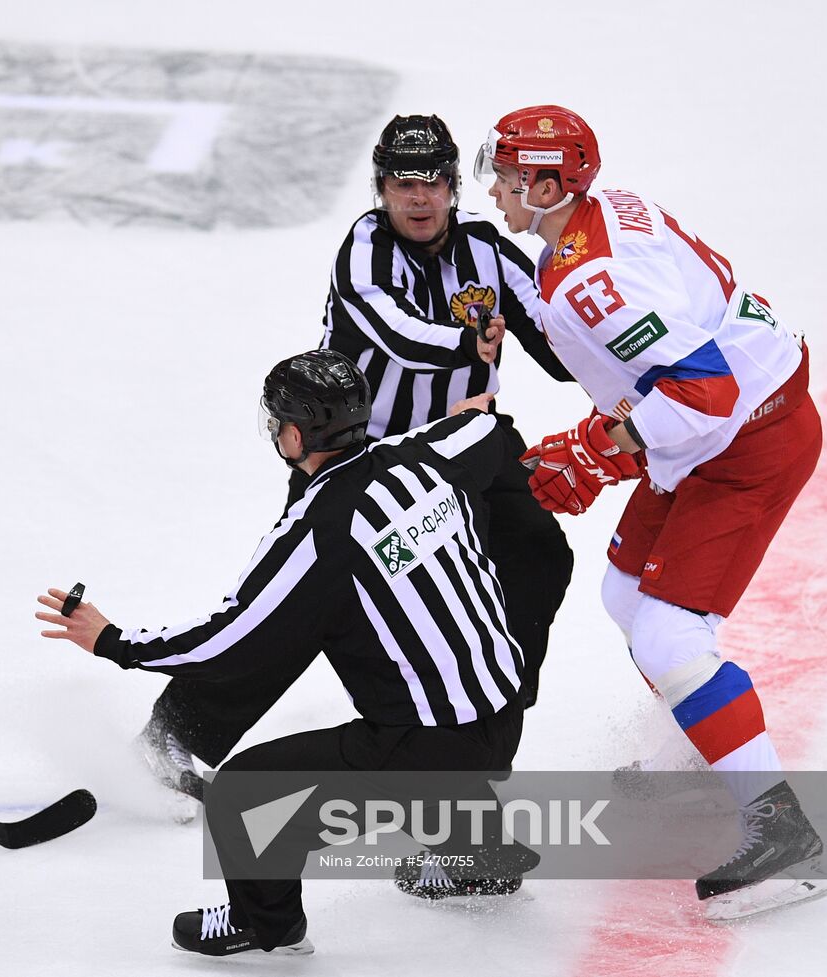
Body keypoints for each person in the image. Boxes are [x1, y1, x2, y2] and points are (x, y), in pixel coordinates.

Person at [138, 115, 574, 813]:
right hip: (356, 461)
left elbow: (561, 330)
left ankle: (484, 723)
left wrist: (632, 365)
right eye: (404, 183)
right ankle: (179, 734)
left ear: (453, 186)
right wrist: (472, 343)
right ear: (381, 188)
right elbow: (392, 330)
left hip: (463, 453)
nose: (420, 197)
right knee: (299, 604)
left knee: (539, 555)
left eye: (433, 180)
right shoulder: (365, 248)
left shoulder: (488, 252)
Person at [38, 349, 534, 956]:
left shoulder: (319, 532)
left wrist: (113, 641)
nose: (274, 432)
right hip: (505, 708)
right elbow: (485, 426)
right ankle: (479, 857)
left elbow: (229, 639)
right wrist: (477, 407)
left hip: (431, 742)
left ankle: (263, 923)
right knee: (436, 741)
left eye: (276, 422)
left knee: (247, 792)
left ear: (296, 434)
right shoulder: (430, 454)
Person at [475, 104, 827, 920]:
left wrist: (604, 448)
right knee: (626, 597)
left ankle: (784, 829)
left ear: (547, 182)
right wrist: (615, 436)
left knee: (672, 632)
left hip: (746, 440)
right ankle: (701, 756)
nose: (493, 188)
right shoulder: (610, 209)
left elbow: (702, 390)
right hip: (730, 422)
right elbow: (688, 358)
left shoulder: (586, 281)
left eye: (505, 174)